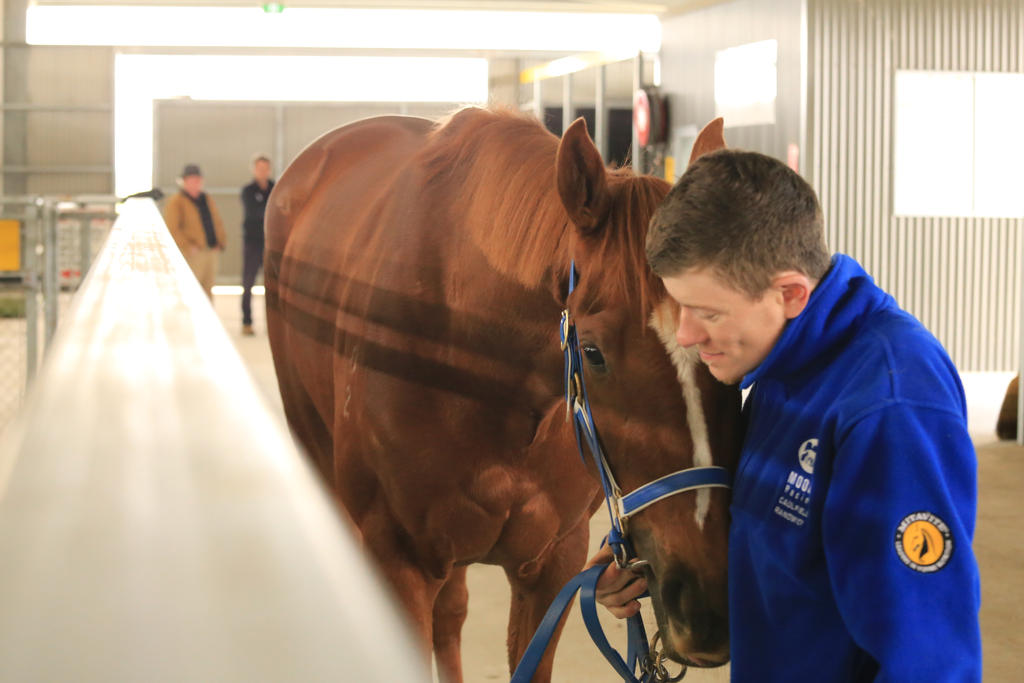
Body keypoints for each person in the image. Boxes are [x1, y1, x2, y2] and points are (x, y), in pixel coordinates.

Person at [590, 149, 981, 681]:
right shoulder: (779, 369)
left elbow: (929, 659)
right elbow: (784, 555)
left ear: (791, 293)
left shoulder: (891, 408)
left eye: (707, 313)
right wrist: (645, 559)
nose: (685, 335)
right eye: (680, 307)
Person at [163, 164, 226, 299]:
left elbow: (216, 221)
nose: (195, 183)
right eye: (191, 179)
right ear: (184, 181)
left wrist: (220, 241)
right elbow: (172, 229)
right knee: (192, 291)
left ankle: (208, 320)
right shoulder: (176, 202)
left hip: (210, 251)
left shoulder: (206, 198)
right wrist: (188, 247)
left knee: (208, 291)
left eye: (197, 179)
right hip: (193, 254)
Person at [240, 155, 274, 336]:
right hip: (252, 243)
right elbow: (254, 213)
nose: (262, 172)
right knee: (248, 282)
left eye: (265, 168)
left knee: (272, 285)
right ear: (254, 170)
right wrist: (271, 210)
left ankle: (273, 323)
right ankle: (247, 322)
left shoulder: (275, 188)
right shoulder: (247, 191)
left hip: (270, 243)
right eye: (259, 168)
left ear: (269, 170)